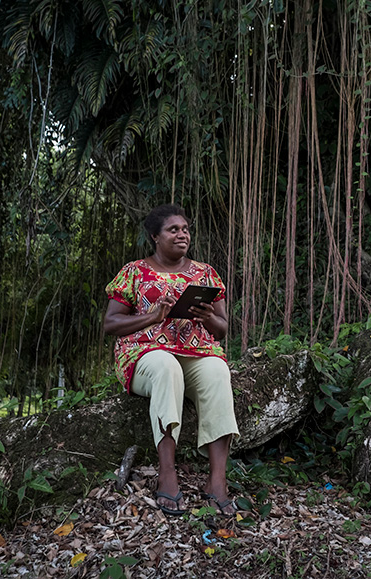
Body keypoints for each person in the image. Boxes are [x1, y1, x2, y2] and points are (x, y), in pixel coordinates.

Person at [102, 204, 239, 516]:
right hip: (145, 356)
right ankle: (167, 472)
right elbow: (111, 324)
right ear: (155, 236)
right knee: (167, 367)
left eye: (186, 229)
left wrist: (206, 317)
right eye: (173, 229)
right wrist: (152, 317)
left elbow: (222, 329)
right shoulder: (134, 272)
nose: (182, 234)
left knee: (218, 370)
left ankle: (217, 481)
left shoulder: (205, 274)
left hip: (197, 353)